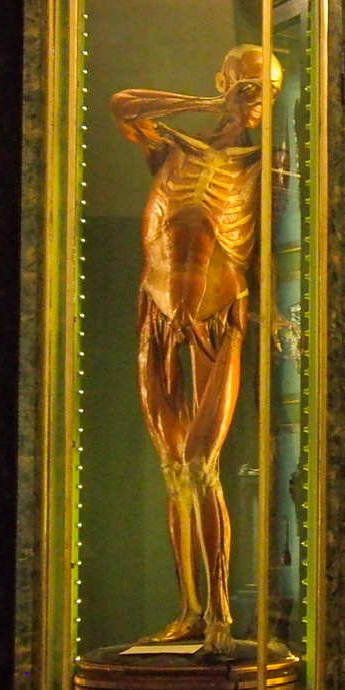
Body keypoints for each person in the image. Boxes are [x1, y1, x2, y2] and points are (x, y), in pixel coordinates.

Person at [112, 45, 277, 658]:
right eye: (249, 87)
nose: (258, 101)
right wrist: (214, 104)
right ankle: (186, 609)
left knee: (203, 462)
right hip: (156, 301)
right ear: (223, 82)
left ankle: (221, 617)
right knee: (171, 465)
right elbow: (123, 105)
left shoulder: (264, 164)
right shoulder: (171, 150)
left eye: (268, 91)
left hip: (220, 306)